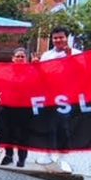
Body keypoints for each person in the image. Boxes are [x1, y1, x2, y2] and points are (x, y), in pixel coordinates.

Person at [36, 26, 82, 171]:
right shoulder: (46, 55)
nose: (58, 40)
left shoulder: (77, 53)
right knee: (48, 126)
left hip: (68, 98)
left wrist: (70, 57)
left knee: (64, 127)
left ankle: (63, 159)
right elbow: (42, 76)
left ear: (67, 38)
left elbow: (83, 72)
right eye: (55, 38)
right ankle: (48, 153)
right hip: (49, 96)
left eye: (61, 37)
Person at [0, 47, 29, 167]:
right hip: (8, 108)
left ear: (26, 59)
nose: (20, 58)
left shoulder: (31, 72)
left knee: (24, 135)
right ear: (13, 58)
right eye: (18, 56)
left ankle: (22, 158)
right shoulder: (6, 72)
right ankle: (8, 156)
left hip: (25, 109)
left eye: (22, 56)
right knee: (8, 132)